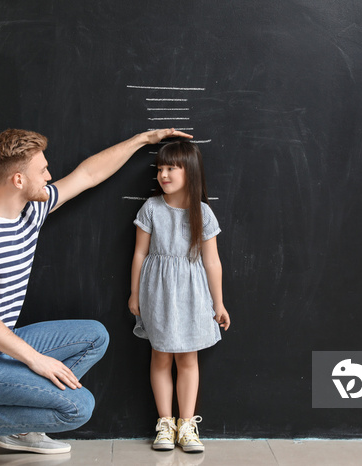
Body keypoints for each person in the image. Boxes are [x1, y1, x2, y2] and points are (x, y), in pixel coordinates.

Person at [0, 127, 192, 466]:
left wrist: (144, 139)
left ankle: (19, 426)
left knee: (95, 336)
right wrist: (34, 359)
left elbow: (87, 174)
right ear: (18, 180)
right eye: (43, 170)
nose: (50, 176)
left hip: (1, 347)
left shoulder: (30, 212)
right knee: (77, 408)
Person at [127, 141, 231, 453]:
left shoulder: (203, 213)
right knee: (160, 355)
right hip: (157, 291)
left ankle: (187, 425)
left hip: (193, 294)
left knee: (188, 357)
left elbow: (212, 261)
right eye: (160, 168)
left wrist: (219, 302)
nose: (164, 174)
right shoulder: (151, 208)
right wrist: (134, 294)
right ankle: (164, 424)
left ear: (191, 171)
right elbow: (139, 254)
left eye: (172, 167)